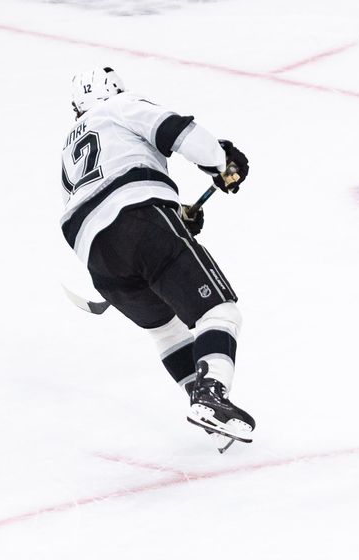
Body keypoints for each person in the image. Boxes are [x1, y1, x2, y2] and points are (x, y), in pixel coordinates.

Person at [59, 67, 255, 446]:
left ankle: (206, 411)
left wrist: (176, 215)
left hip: (95, 252)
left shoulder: (68, 147)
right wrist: (221, 161)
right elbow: (175, 131)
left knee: (165, 330)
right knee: (219, 311)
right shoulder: (118, 106)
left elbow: (97, 201)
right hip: (140, 219)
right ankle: (211, 394)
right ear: (114, 89)